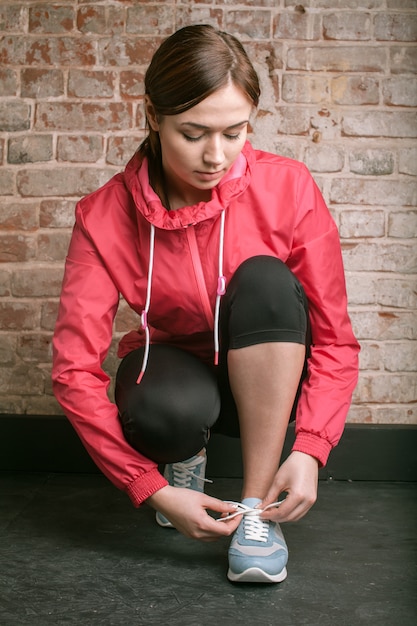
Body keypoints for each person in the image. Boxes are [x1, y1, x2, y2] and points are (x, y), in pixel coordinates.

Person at [52, 24, 359, 584]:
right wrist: (151, 489)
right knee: (157, 401)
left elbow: (336, 337)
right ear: (152, 116)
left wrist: (313, 447)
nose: (215, 156)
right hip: (179, 389)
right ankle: (183, 463)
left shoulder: (288, 188)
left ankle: (255, 508)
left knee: (266, 280)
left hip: (269, 386)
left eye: (235, 133)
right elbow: (74, 370)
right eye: (193, 133)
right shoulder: (101, 217)